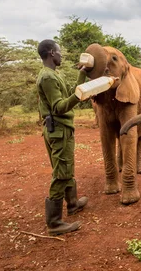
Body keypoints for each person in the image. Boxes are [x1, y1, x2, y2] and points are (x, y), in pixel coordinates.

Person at [36, 39, 89, 236]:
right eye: (59, 51)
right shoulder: (48, 78)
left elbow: (67, 94)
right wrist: (81, 96)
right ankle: (54, 222)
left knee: (67, 166)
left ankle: (73, 203)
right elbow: (59, 107)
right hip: (58, 129)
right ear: (51, 53)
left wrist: (81, 76)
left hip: (60, 129)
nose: (61, 55)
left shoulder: (53, 74)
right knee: (61, 172)